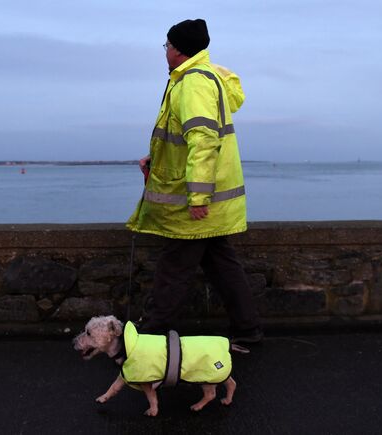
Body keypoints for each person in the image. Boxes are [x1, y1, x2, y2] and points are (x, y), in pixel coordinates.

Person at [126, 18, 262, 344]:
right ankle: (247, 331)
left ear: (178, 50)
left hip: (195, 204)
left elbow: (202, 140)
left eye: (167, 46)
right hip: (213, 200)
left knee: (173, 271)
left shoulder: (193, 83)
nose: (165, 51)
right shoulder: (203, 79)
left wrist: (198, 197)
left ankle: (150, 341)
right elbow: (184, 141)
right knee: (222, 266)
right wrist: (154, 159)